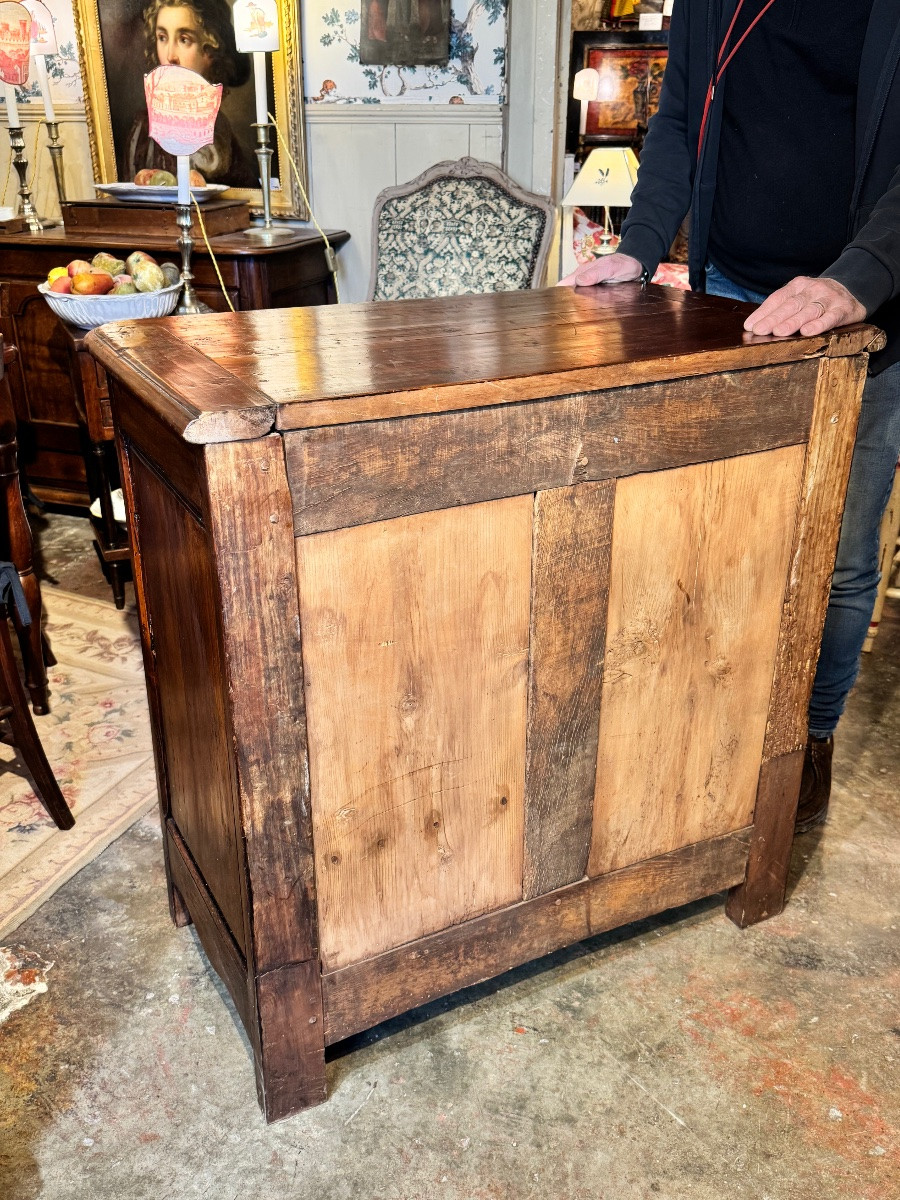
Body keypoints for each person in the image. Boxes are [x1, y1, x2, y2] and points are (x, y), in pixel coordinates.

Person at [561, 0, 900, 834]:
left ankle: (806, 741)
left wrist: (858, 277)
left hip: (865, 307)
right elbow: (678, 119)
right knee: (720, 538)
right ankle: (719, 728)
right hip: (730, 297)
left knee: (839, 556)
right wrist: (642, 242)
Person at [122, 0, 258, 188]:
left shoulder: (218, 127)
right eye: (162, 37)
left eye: (184, 39)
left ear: (211, 51)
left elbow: (242, 194)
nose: (170, 56)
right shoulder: (143, 126)